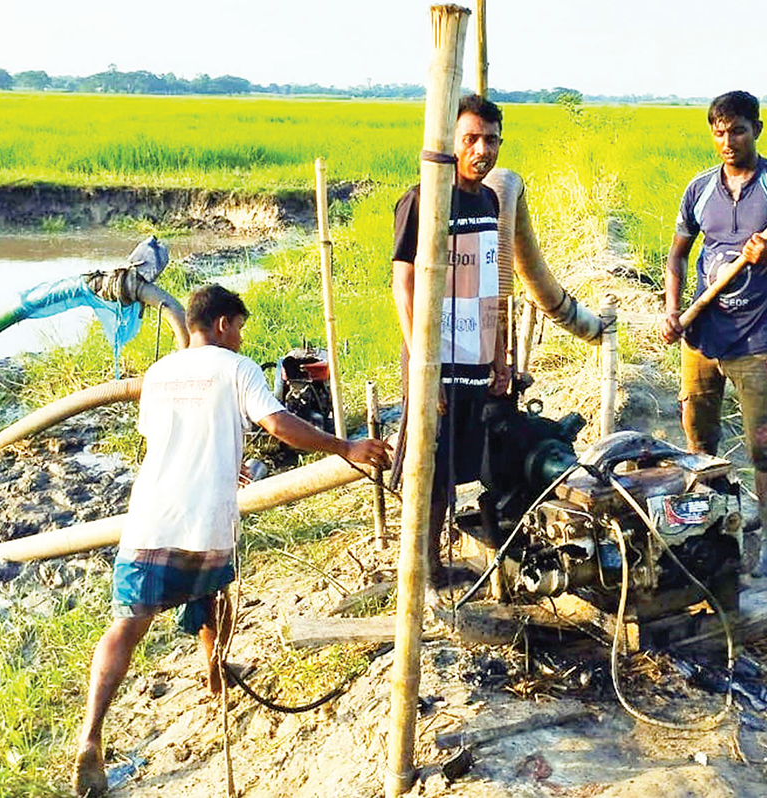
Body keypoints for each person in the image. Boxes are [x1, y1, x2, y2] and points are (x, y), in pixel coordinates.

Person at [72, 284, 391, 797]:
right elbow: (279, 423)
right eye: (239, 327)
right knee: (214, 593)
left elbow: (167, 440)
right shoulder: (235, 367)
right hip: (205, 519)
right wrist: (344, 447)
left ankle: (91, 736)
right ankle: (216, 674)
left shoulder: (157, 373)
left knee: (127, 625)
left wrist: (229, 461)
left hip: (150, 517)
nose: (242, 338)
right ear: (221, 324)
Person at [660, 90, 767, 578]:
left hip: (756, 342)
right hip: (702, 338)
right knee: (698, 439)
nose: (727, 141)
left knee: (763, 444)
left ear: (757, 129)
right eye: (718, 131)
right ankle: (703, 530)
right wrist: (672, 310)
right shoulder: (700, 189)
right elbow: (677, 256)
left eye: (737, 130)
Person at [391, 94, 511, 589]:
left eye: (491, 140)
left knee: (462, 465)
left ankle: (437, 558)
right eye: (471, 139)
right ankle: (419, 566)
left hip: (476, 353)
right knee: (428, 465)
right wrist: (425, 362)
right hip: (435, 357)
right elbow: (403, 282)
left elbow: (490, 281)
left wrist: (500, 356)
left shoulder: (490, 200)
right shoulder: (423, 200)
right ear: (452, 141)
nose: (481, 150)